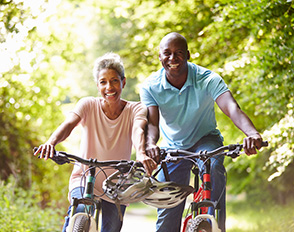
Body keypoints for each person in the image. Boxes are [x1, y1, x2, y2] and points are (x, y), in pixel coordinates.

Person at [140, 32, 263, 232]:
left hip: (205, 140)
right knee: (167, 211)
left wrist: (252, 133)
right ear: (160, 57)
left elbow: (232, 108)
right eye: (167, 53)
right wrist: (151, 144)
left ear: (188, 54)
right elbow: (152, 124)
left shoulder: (207, 79)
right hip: (173, 146)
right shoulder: (150, 86)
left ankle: (211, 219)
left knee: (213, 167)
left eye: (178, 53)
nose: (173, 58)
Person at [34, 52, 157, 232]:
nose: (109, 86)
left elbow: (138, 130)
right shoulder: (87, 105)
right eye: (103, 82)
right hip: (84, 177)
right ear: (97, 85)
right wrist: (51, 142)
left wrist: (141, 153)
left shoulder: (135, 109)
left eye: (114, 80)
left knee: (112, 226)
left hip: (117, 184)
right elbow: (68, 125)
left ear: (123, 82)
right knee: (80, 211)